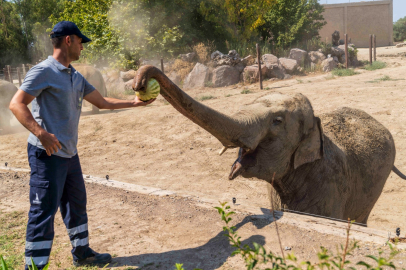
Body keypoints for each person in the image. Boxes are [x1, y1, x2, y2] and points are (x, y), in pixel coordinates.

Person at [9, 21, 155, 269]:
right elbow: (16, 104)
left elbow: (102, 102)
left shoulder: (75, 76)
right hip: (46, 154)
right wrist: (41, 133)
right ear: (68, 40)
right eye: (80, 41)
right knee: (43, 213)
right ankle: (34, 265)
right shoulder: (43, 71)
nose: (82, 47)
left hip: (69, 154)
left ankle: (82, 253)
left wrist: (134, 103)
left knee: (76, 205)